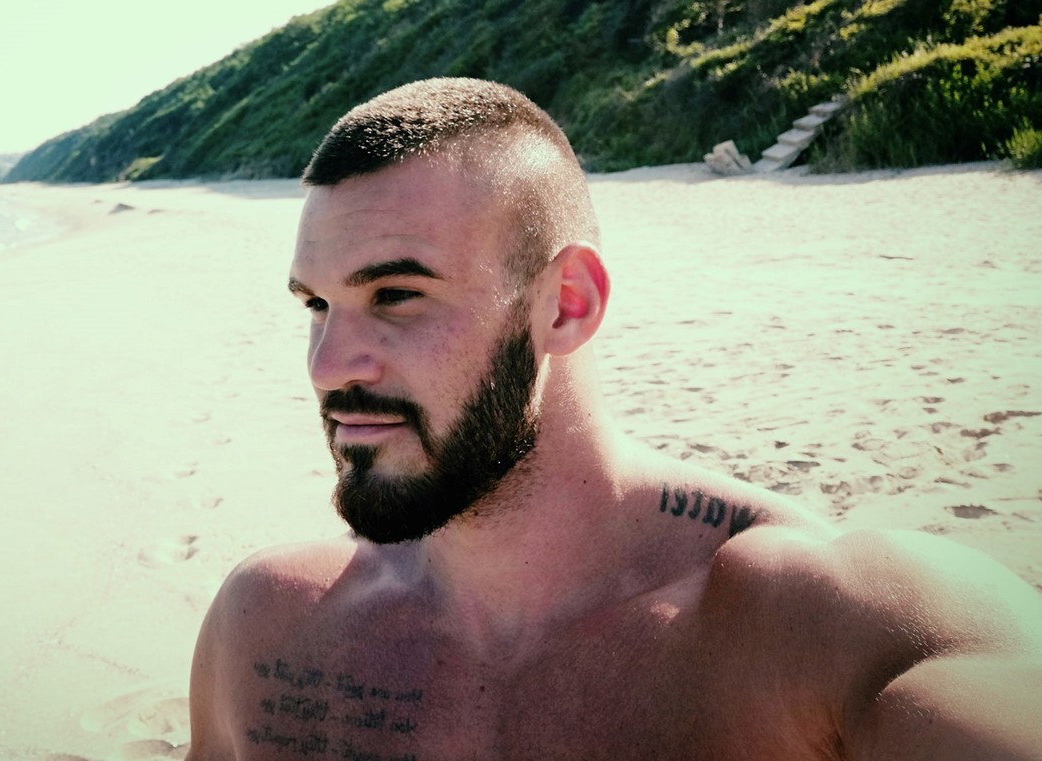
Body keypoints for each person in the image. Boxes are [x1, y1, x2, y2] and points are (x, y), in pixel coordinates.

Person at [186, 78, 1042, 760]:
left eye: (396, 294)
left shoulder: (828, 634)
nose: (329, 365)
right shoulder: (269, 633)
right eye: (317, 305)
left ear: (567, 303)